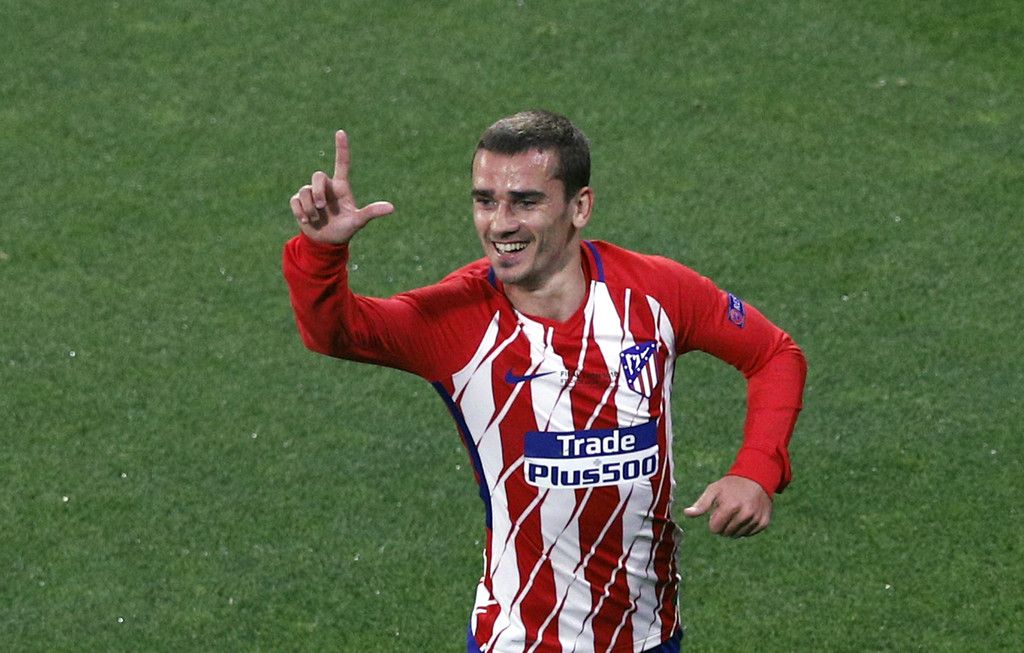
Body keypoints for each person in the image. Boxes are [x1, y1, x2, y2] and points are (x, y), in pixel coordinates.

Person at [283, 110, 806, 653]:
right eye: (485, 200)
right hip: (519, 642)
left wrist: (757, 470)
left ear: (580, 207)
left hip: (650, 637)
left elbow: (774, 354)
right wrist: (322, 251)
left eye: (525, 202)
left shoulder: (656, 294)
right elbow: (335, 332)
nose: (500, 224)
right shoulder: (457, 322)